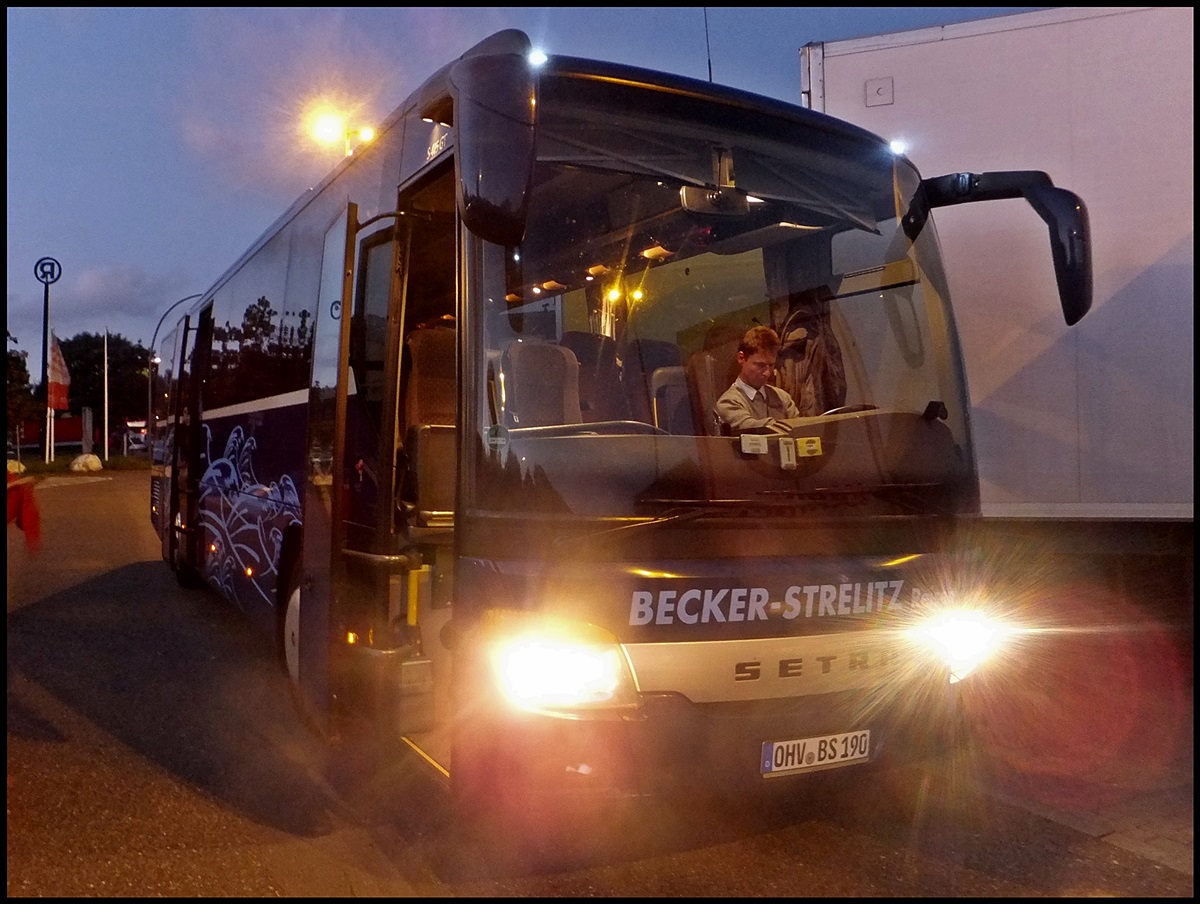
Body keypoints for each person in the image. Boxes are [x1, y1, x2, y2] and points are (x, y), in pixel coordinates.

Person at [714, 325, 800, 435]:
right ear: (741, 358)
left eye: (771, 365)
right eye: (761, 365)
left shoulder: (783, 398)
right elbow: (753, 428)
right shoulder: (728, 403)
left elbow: (800, 430)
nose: (767, 373)